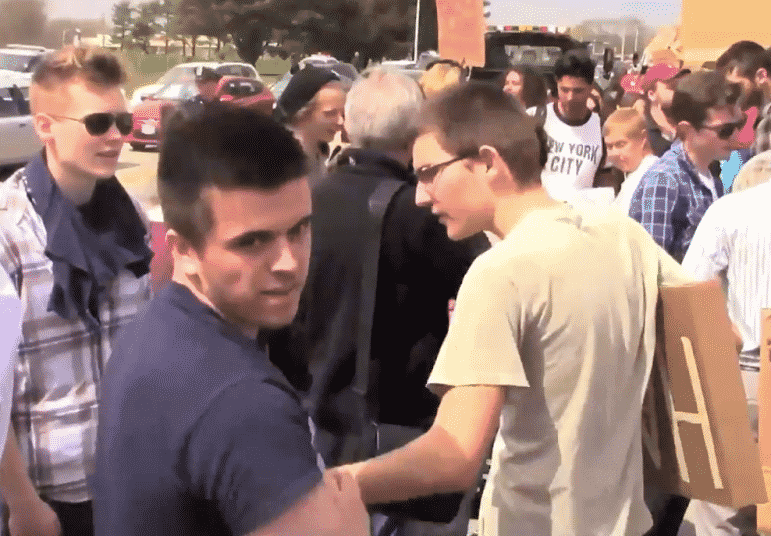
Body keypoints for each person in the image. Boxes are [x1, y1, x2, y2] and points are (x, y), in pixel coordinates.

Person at [333, 81, 693, 536]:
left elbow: (455, 456)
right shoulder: (622, 235)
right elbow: (713, 330)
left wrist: (337, 484)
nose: (421, 195)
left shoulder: (499, 273)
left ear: (487, 162)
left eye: (429, 172)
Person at [91, 104, 369, 536]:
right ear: (183, 250)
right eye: (253, 242)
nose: (289, 263)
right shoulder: (242, 402)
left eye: (299, 229)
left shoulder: (154, 330)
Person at [274, 68, 486, 536]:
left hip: (311, 427)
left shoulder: (304, 200)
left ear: (348, 125)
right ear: (415, 133)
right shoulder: (425, 214)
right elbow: (486, 283)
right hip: (407, 436)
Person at [0, 45, 153, 536]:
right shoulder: (9, 231)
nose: (115, 137)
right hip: (44, 499)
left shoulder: (134, 218)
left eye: (122, 121)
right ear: (45, 126)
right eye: (97, 123)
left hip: (128, 481)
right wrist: (22, 504)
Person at [680, 179, 771, 536]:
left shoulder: (735, 210)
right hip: (750, 374)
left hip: (749, 375)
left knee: (719, 515)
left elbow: (688, 290)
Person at [630, 70, 743, 263]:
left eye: (739, 124)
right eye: (725, 130)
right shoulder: (664, 181)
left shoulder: (712, 180)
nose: (735, 136)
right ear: (687, 130)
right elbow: (651, 268)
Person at [529, 49, 606, 203]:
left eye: (578, 91)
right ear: (557, 84)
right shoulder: (534, 118)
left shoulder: (601, 127)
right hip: (539, 216)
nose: (570, 98)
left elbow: (606, 180)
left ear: (591, 87)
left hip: (580, 220)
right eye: (565, 90)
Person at [274, 65, 347, 184]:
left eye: (342, 114)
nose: (340, 121)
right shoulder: (280, 160)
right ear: (301, 113)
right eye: (330, 113)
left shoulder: (320, 151)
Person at [603, 107, 658, 213]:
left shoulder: (652, 175)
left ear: (642, 138)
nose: (614, 153)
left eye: (621, 144)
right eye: (609, 146)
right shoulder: (634, 173)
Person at [640, 63, 690, 157]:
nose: (679, 90)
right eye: (672, 87)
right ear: (652, 94)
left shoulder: (687, 122)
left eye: (679, 84)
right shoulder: (646, 138)